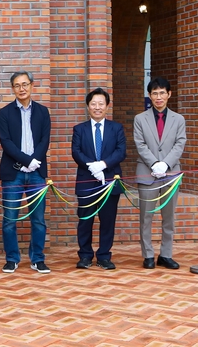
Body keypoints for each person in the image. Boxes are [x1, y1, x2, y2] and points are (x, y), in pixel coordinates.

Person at [0, 71, 52, 274]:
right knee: (9, 219)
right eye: (17, 85)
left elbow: (44, 140)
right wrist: (27, 161)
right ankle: (12, 258)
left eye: (25, 84)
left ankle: (37, 258)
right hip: (14, 173)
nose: (22, 88)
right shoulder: (4, 113)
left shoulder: (43, 111)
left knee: (38, 219)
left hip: (37, 173)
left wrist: (34, 162)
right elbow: (6, 143)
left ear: (31, 85)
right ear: (12, 88)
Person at [134, 77, 187, 270]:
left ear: (169, 94)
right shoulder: (140, 119)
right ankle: (147, 254)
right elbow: (140, 144)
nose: (159, 97)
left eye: (162, 93)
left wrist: (165, 164)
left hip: (170, 174)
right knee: (146, 217)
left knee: (169, 218)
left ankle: (166, 254)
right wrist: (155, 163)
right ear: (149, 95)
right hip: (147, 174)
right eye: (155, 93)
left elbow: (179, 143)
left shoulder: (178, 119)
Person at [71, 87, 125, 270]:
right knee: (85, 220)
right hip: (86, 181)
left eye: (101, 103)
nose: (97, 107)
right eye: (93, 103)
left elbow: (121, 152)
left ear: (107, 106)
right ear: (88, 106)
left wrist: (103, 164)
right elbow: (76, 152)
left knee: (108, 220)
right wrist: (92, 166)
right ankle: (85, 255)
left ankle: (104, 256)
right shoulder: (79, 129)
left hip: (110, 182)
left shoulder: (116, 128)